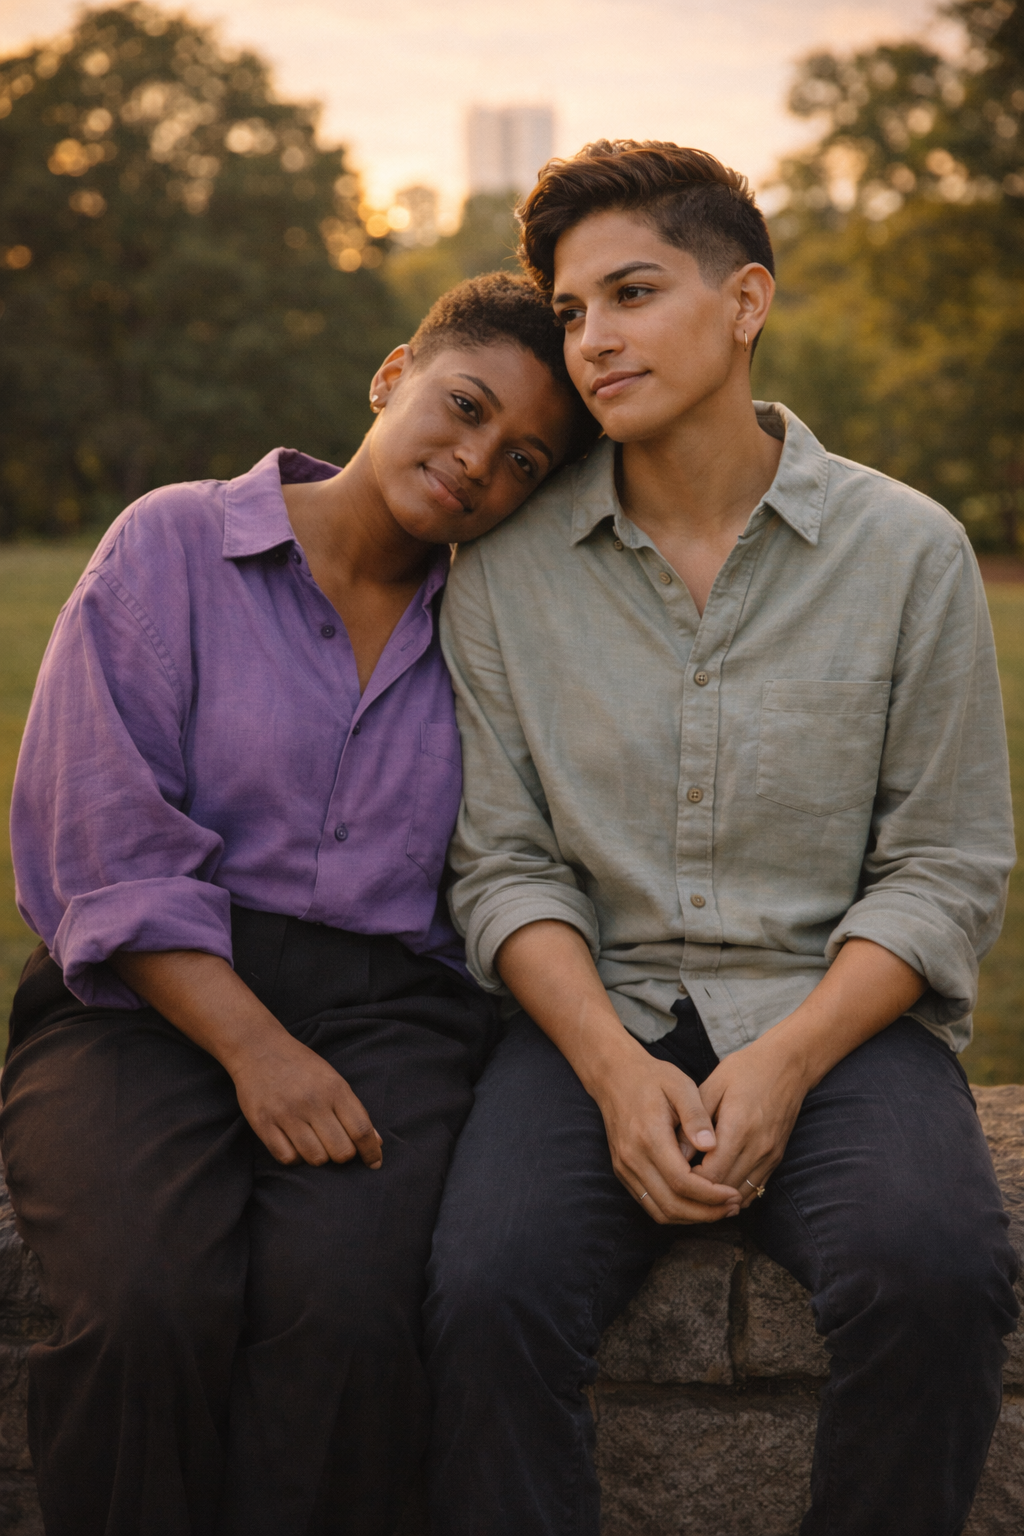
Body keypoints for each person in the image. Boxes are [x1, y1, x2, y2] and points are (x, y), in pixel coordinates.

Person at [424, 143, 1021, 1536]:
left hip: (839, 1018)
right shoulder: (505, 577)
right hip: (595, 1018)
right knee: (483, 1292)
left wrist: (791, 1057)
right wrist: (618, 1075)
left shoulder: (906, 554)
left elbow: (943, 865)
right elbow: (501, 862)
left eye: (632, 292)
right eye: (572, 312)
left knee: (934, 1274)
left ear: (746, 299)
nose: (595, 340)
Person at [1, 271, 598, 1536]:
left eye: (524, 459)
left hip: (395, 1019)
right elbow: (97, 837)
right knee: (149, 1302)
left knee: (348, 1318)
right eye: (464, 405)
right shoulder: (174, 543)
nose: (477, 462)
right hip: (137, 1003)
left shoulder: (493, 623)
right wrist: (256, 1049)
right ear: (392, 377)